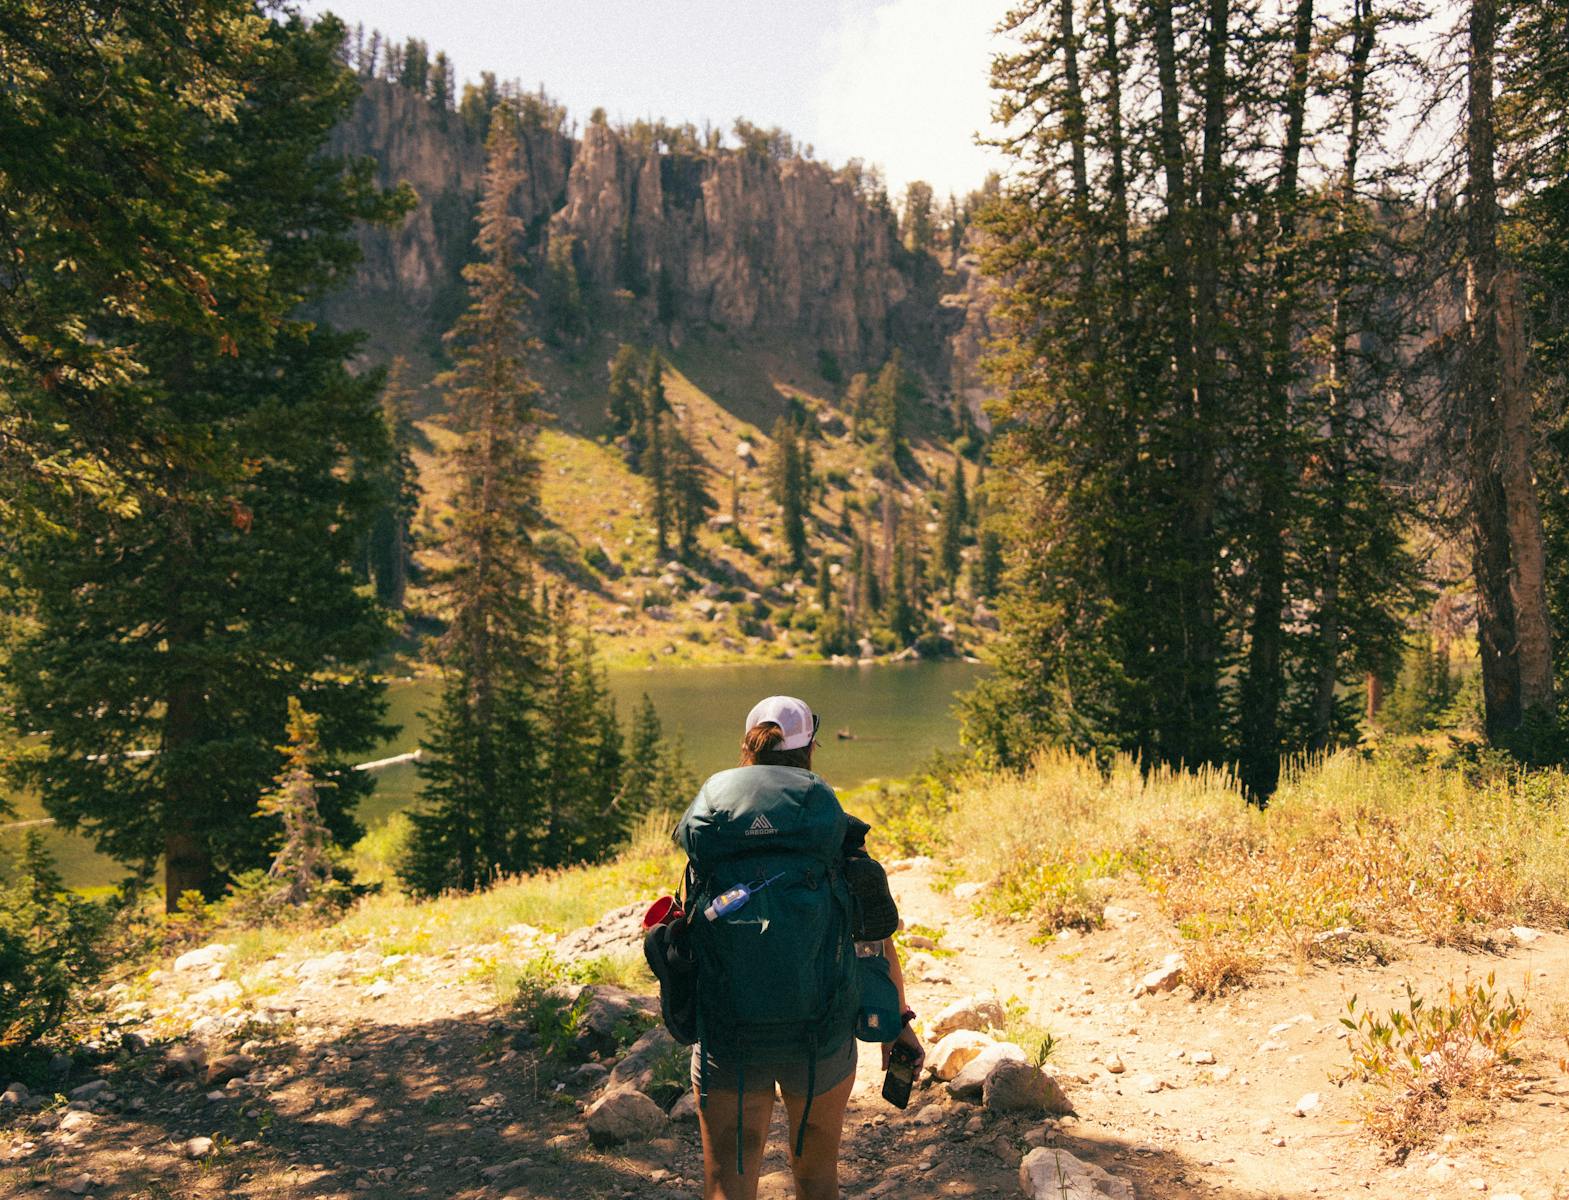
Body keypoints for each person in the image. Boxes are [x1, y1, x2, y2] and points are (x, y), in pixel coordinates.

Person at [673, 695, 924, 1200]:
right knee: (816, 1179)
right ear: (809, 748)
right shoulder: (830, 827)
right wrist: (899, 1023)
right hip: (821, 1035)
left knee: (728, 1182)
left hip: (729, 1035)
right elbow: (873, 938)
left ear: (747, 749)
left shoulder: (718, 826)